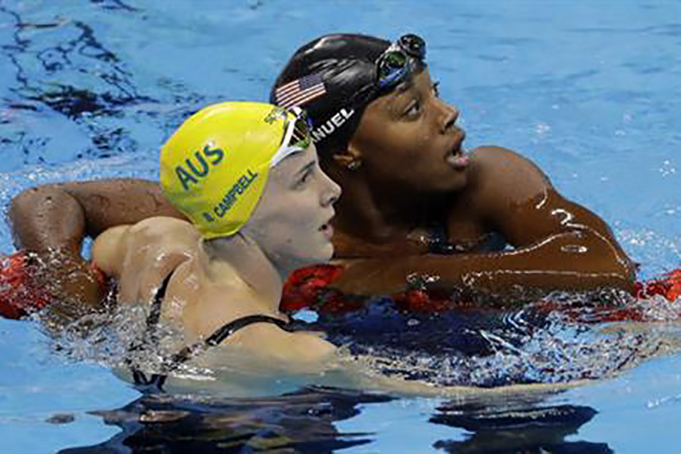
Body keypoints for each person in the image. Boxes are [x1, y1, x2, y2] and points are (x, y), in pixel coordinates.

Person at [7, 33, 636, 316]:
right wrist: (67, 285)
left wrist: (407, 273)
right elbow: (49, 199)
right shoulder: (252, 209)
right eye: (413, 109)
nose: (449, 115)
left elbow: (606, 267)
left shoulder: (484, 183)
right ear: (347, 154)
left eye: (435, 93)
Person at [91, 101, 341, 379]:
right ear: (243, 209)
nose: (333, 189)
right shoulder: (293, 355)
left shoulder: (152, 244)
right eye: (303, 179)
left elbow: (101, 249)